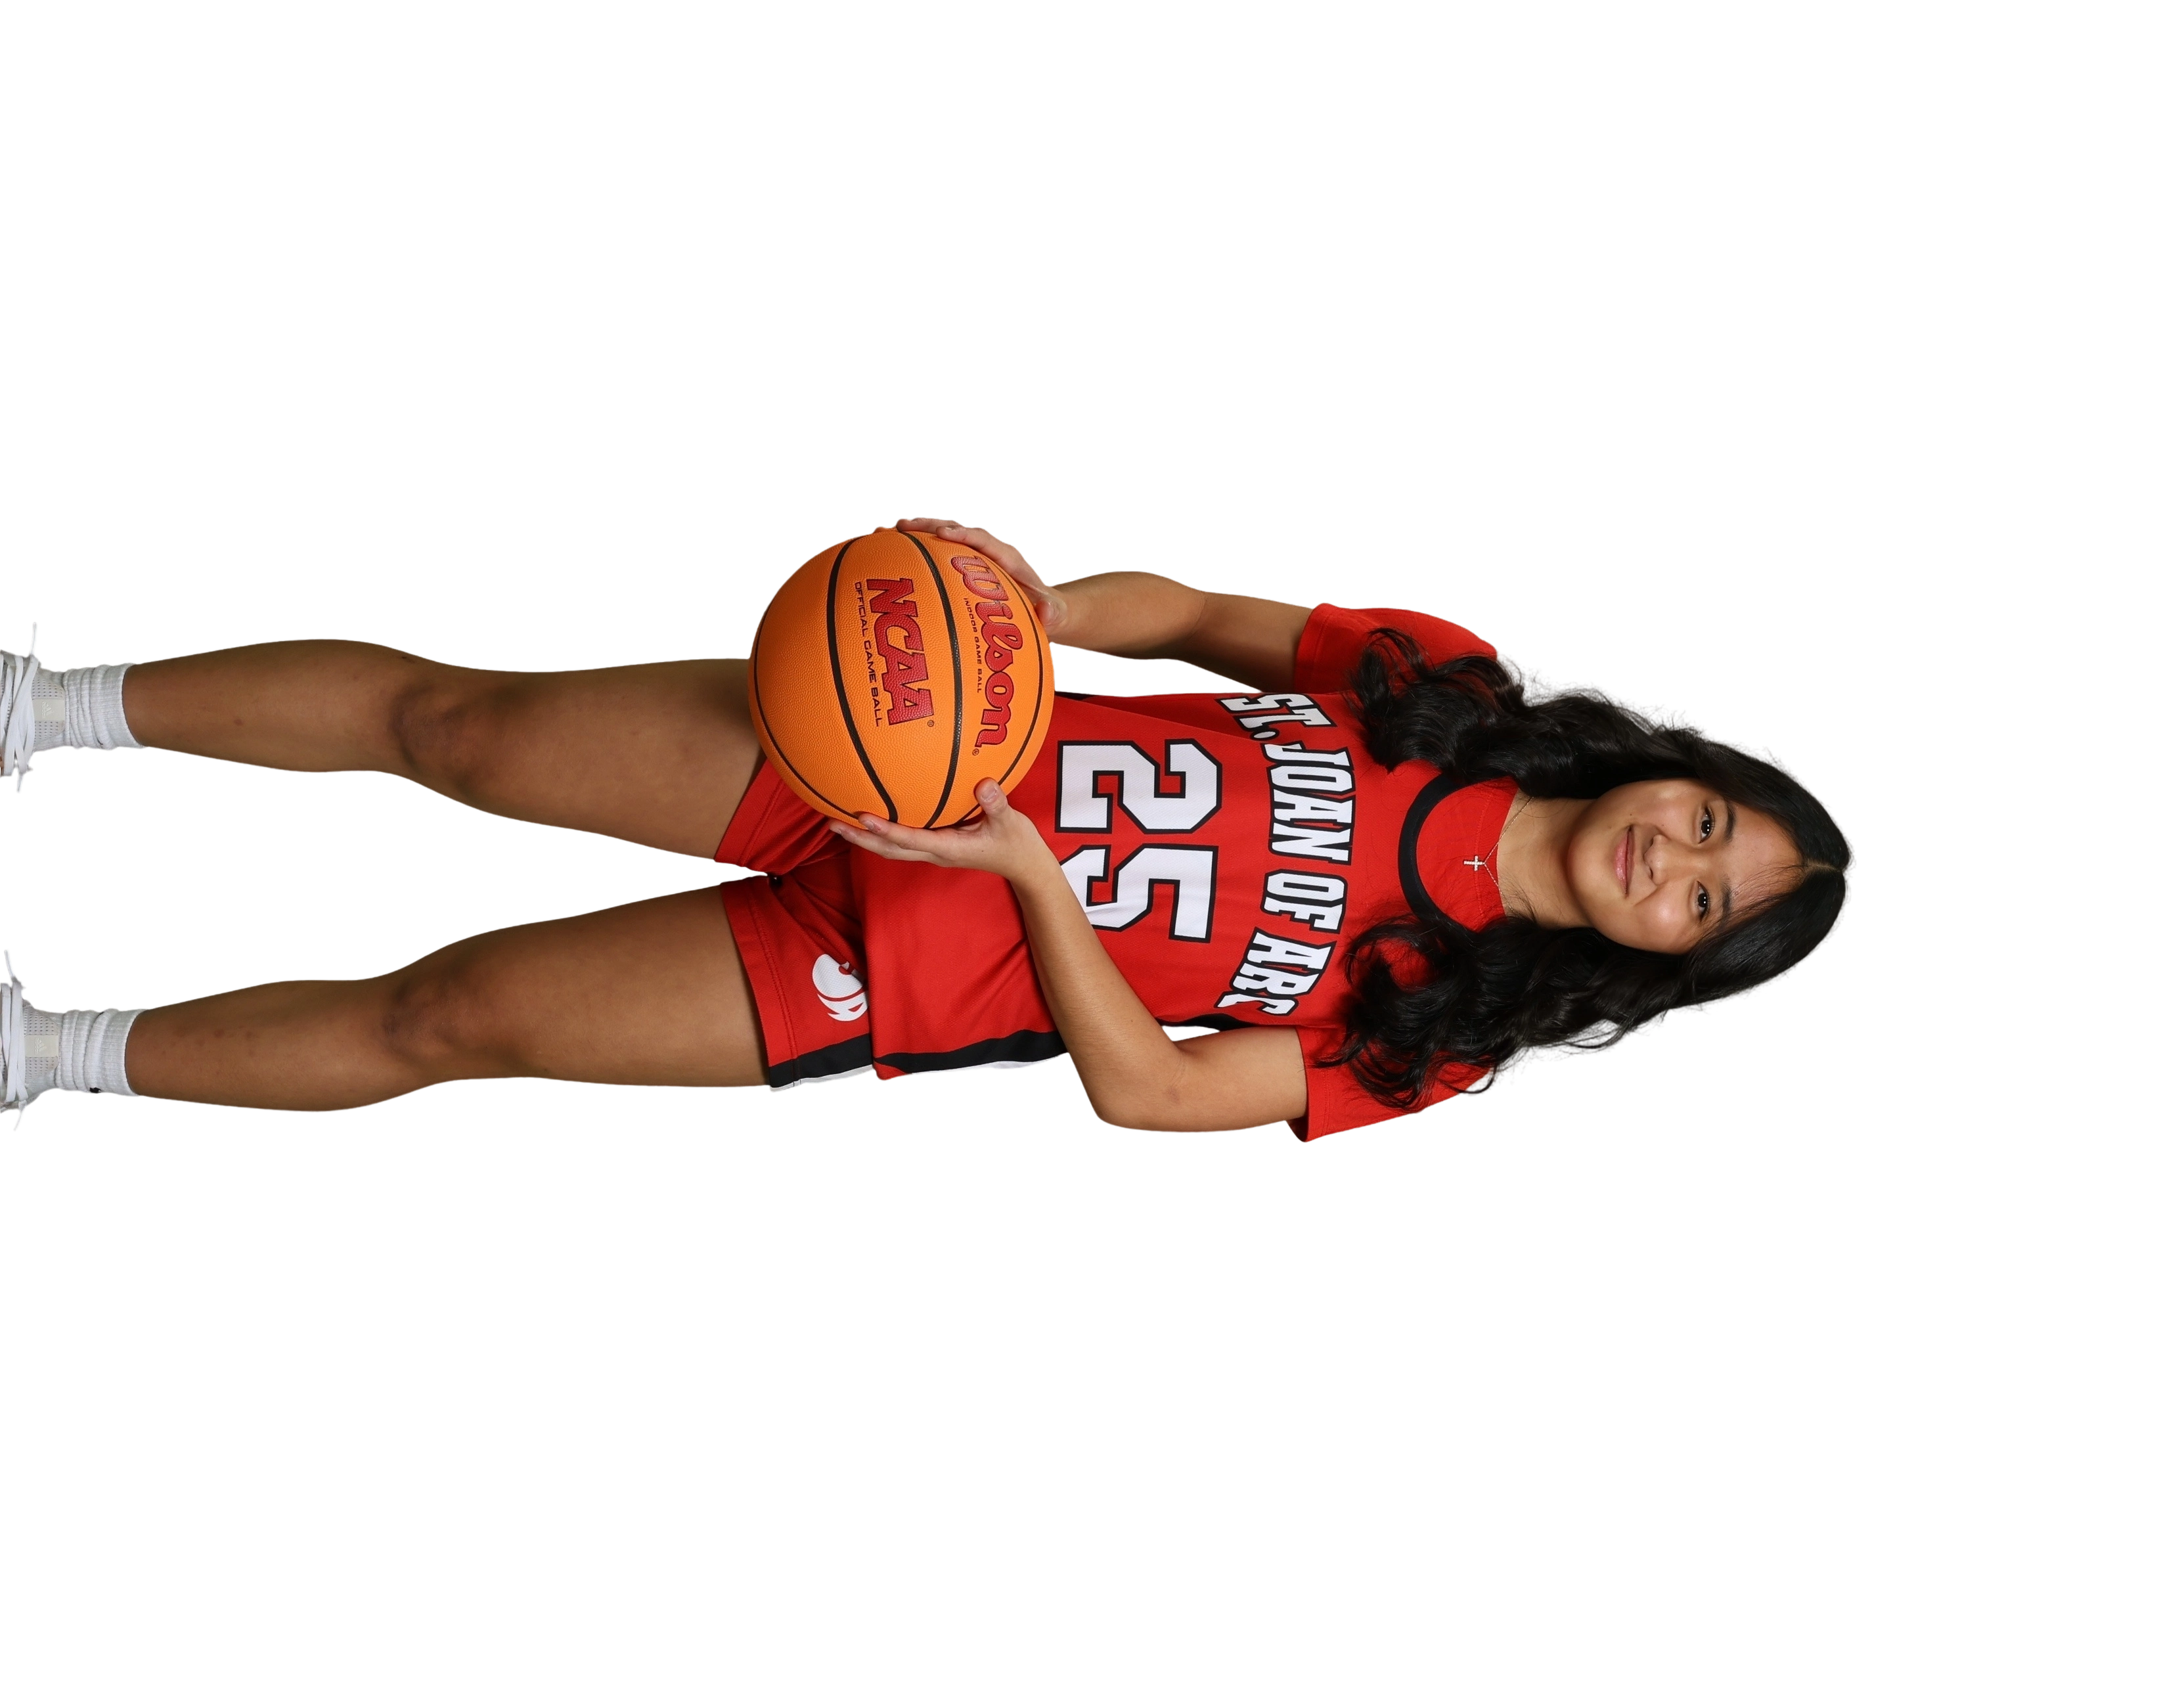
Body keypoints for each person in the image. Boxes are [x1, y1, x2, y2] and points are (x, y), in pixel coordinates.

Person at [0, 516, 1858, 1139]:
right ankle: (52, 705)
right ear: (1676, 765)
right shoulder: (1461, 692)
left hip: (881, 958)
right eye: (1710, 820)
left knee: (444, 1020)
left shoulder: (1450, 1035)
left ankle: (56, 1055)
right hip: (860, 753)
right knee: (459, 729)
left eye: (1707, 904)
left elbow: (1154, 1095)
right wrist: (1026, 616)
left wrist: (1028, 879)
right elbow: (1198, 617)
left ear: (1669, 964)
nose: (1674, 858)